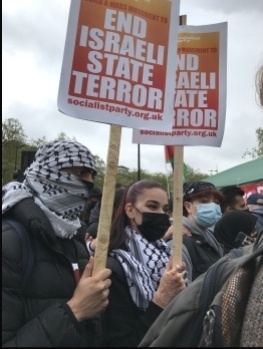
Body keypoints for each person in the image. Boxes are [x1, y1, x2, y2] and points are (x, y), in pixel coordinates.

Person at [2, 140, 112, 347]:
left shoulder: (73, 243)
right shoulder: (9, 242)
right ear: (46, 173)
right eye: (80, 174)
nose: (88, 184)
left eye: (91, 176)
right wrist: (75, 310)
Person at [88, 179, 187, 347]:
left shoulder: (168, 253)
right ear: (130, 210)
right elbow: (120, 341)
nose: (161, 215)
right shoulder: (114, 265)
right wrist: (162, 299)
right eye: (152, 206)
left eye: (165, 209)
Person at [179, 181, 224, 282]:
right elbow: (183, 293)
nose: (212, 206)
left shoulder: (209, 235)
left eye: (216, 202)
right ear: (188, 207)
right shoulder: (179, 244)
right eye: (204, 201)